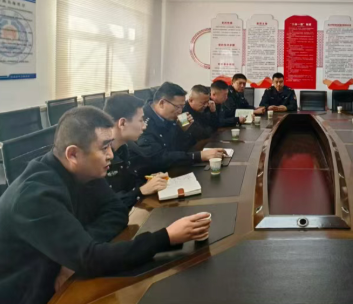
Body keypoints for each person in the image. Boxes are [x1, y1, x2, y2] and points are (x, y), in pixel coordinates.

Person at [0, 107, 213, 304]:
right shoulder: (35, 195)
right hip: (32, 292)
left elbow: (116, 210)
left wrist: (75, 255)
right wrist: (167, 237)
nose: (111, 154)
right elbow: (92, 259)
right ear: (73, 154)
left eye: (110, 145)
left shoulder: (84, 170)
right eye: (104, 148)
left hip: (62, 274)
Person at [130, 82, 224, 173]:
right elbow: (159, 159)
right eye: (178, 107)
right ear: (162, 103)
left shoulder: (169, 117)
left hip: (173, 168)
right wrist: (198, 156)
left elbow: (180, 148)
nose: (180, 111)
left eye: (182, 107)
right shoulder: (143, 122)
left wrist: (183, 131)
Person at [103, 94, 168, 208]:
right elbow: (108, 204)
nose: (144, 126)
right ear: (122, 123)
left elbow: (131, 183)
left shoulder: (125, 148)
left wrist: (150, 180)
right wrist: (141, 190)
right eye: (140, 120)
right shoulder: (101, 159)